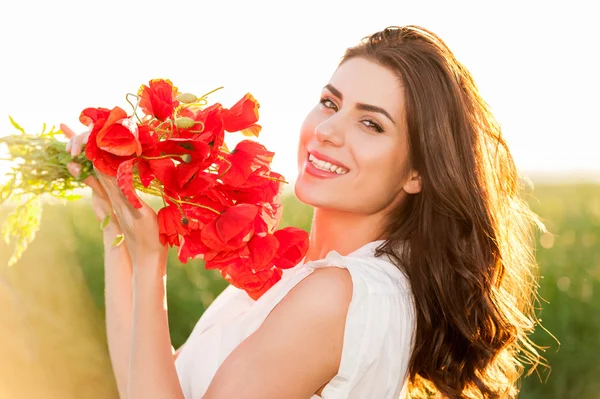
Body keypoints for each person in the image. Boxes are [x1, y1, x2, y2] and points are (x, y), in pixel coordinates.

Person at [63, 25, 545, 399]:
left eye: (371, 124)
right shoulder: (303, 273)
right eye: (329, 103)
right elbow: (146, 383)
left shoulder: (341, 293)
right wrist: (117, 223)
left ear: (416, 172)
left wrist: (152, 264)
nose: (329, 130)